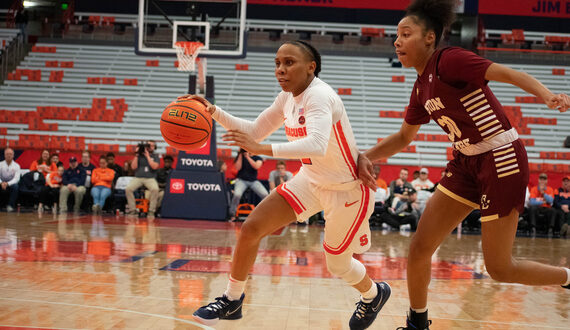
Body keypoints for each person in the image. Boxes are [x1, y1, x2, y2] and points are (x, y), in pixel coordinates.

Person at [356, 1, 570, 329]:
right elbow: (402, 138)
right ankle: (418, 324)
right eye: (396, 35)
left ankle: (567, 277)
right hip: (465, 161)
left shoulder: (450, 59)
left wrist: (546, 94)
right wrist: (363, 156)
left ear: (430, 38)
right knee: (419, 247)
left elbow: (510, 73)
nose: (396, 41)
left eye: (406, 34)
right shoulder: (419, 88)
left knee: (499, 268)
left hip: (502, 158)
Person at [190, 40, 391, 329]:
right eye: (277, 63)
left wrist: (263, 149)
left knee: (338, 265)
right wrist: (213, 112)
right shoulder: (286, 99)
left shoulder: (320, 96)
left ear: (311, 67)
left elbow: (317, 145)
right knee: (251, 228)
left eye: (289, 63)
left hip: (346, 190)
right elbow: (254, 130)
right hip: (310, 181)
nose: (281, 70)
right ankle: (232, 300)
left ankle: (374, 294)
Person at [228, 148, 269, 221]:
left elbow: (256, 166)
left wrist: (247, 157)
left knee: (265, 195)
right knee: (237, 195)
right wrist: (240, 155)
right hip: (241, 180)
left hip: (253, 181)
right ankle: (232, 214)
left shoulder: (257, 157)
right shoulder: (241, 157)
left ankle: (265, 213)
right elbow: (237, 167)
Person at [125, 140, 159, 218]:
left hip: (150, 178)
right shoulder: (139, 156)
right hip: (138, 178)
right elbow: (133, 167)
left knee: (155, 189)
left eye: (152, 145)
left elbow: (155, 167)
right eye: (148, 145)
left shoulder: (155, 156)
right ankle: (132, 210)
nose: (150, 147)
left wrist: (147, 156)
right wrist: (137, 154)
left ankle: (151, 211)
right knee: (128, 189)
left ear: (154, 147)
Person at [0, 148, 21, 212]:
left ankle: (10, 205)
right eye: (7, 154)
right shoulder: (0, 164)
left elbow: (16, 178)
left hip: (11, 184)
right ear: (4, 155)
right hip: (1, 183)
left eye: (10, 154)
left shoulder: (17, 166)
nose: (9, 155)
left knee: (16, 187)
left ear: (13, 155)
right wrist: (1, 183)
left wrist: (7, 183)